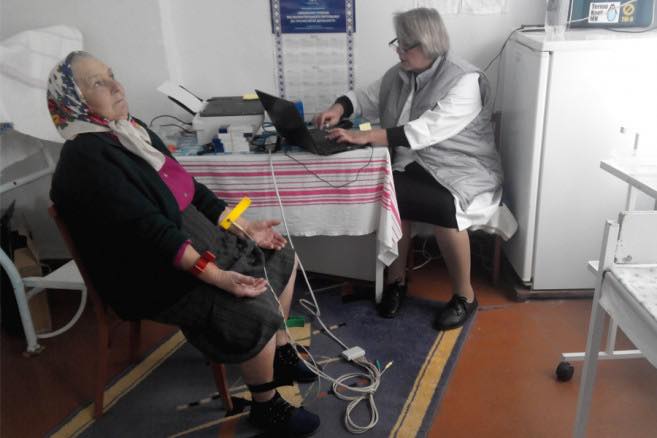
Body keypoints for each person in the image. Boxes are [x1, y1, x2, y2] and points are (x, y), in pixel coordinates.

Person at [47, 51, 320, 437]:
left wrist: (242, 227)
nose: (117, 86)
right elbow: (152, 233)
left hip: (188, 239)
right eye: (98, 83)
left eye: (112, 75)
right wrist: (219, 277)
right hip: (150, 272)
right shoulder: (86, 159)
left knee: (280, 253)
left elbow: (189, 189)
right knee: (252, 306)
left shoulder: (129, 130)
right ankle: (266, 406)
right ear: (73, 101)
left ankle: (280, 350)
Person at [314, 8, 502, 330]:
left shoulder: (465, 80)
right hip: (417, 162)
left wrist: (363, 136)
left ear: (428, 44)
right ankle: (395, 282)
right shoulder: (400, 75)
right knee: (390, 193)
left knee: (444, 208)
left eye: (405, 46)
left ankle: (465, 296)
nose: (399, 51)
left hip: (463, 168)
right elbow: (364, 97)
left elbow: (424, 131)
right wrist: (338, 108)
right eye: (397, 43)